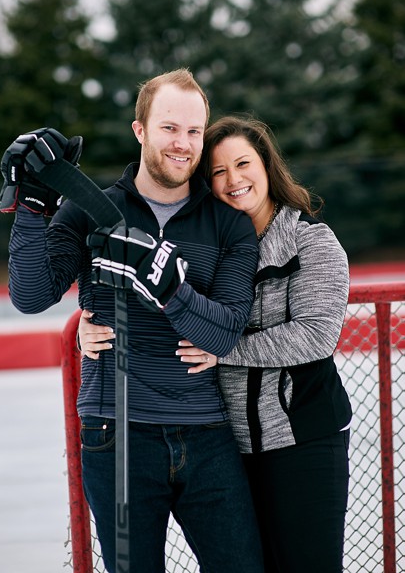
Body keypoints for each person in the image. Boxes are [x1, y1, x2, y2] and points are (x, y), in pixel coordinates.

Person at [3, 69, 265, 572]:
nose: (183, 144)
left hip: (206, 432)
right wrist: (33, 206)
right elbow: (32, 296)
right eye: (170, 128)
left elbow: (225, 330)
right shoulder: (90, 212)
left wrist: (168, 287)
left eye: (193, 131)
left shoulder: (229, 224)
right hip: (116, 431)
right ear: (140, 130)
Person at [82, 116, 351, 572]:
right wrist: (90, 326)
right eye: (219, 172)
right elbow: (163, 310)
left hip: (302, 438)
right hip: (232, 445)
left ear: (267, 167)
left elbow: (316, 335)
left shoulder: (310, 241)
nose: (233, 180)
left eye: (243, 164)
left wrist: (224, 347)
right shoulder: (212, 243)